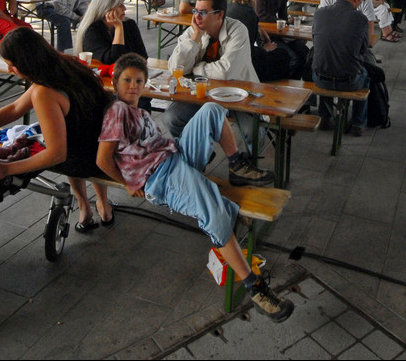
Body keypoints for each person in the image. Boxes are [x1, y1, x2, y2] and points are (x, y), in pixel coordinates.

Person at [95, 53, 293, 321]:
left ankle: (235, 164)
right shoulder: (117, 111)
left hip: (174, 156)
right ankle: (255, 287)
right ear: (115, 83)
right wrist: (127, 182)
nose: (132, 85)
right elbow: (102, 159)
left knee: (212, 109)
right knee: (214, 209)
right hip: (161, 177)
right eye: (127, 80)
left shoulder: (138, 111)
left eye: (138, 81)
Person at [0, 28, 115, 232]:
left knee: (58, 142)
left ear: (25, 63)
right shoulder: (67, 64)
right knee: (71, 133)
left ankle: (83, 206)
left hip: (85, 160)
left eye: (12, 66)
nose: (10, 71)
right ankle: (102, 205)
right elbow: (16, 108)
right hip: (104, 150)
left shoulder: (44, 92)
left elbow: (57, 154)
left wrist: (4, 169)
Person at [165, 0, 262, 142]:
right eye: (195, 10)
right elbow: (176, 68)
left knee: (253, 133)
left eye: (203, 12)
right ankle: (200, 156)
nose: (196, 17)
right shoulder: (193, 30)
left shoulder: (238, 30)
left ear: (220, 14)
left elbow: (226, 71)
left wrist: (196, 68)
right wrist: (195, 37)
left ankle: (245, 164)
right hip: (202, 93)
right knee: (172, 118)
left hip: (238, 94)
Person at [312, 0, 371, 136]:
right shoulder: (360, 19)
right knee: (366, 76)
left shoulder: (320, 13)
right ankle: (358, 123)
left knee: (326, 62)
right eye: (360, 1)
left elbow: (316, 42)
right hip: (348, 81)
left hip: (319, 78)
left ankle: (324, 116)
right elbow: (363, 49)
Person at [227, 0, 291, 82]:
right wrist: (264, 50)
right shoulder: (249, 14)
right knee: (284, 55)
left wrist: (258, 28)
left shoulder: (230, 6)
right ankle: (277, 92)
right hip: (243, 65)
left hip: (230, 58)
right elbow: (248, 50)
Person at [75, 0, 147, 64]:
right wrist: (119, 28)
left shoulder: (129, 24)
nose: (124, 8)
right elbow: (113, 61)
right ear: (106, 9)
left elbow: (143, 56)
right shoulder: (92, 30)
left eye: (123, 4)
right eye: (119, 6)